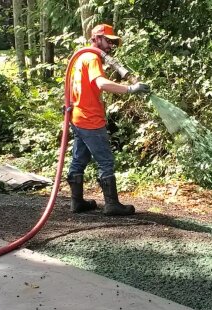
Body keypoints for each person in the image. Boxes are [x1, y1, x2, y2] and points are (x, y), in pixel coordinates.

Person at [67, 23, 149, 216]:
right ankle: (111, 205)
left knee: (80, 159)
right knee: (106, 161)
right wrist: (130, 89)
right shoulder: (92, 58)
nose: (111, 46)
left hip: (77, 116)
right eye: (108, 41)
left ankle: (76, 202)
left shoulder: (79, 58)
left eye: (113, 42)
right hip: (90, 119)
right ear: (96, 39)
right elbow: (101, 83)